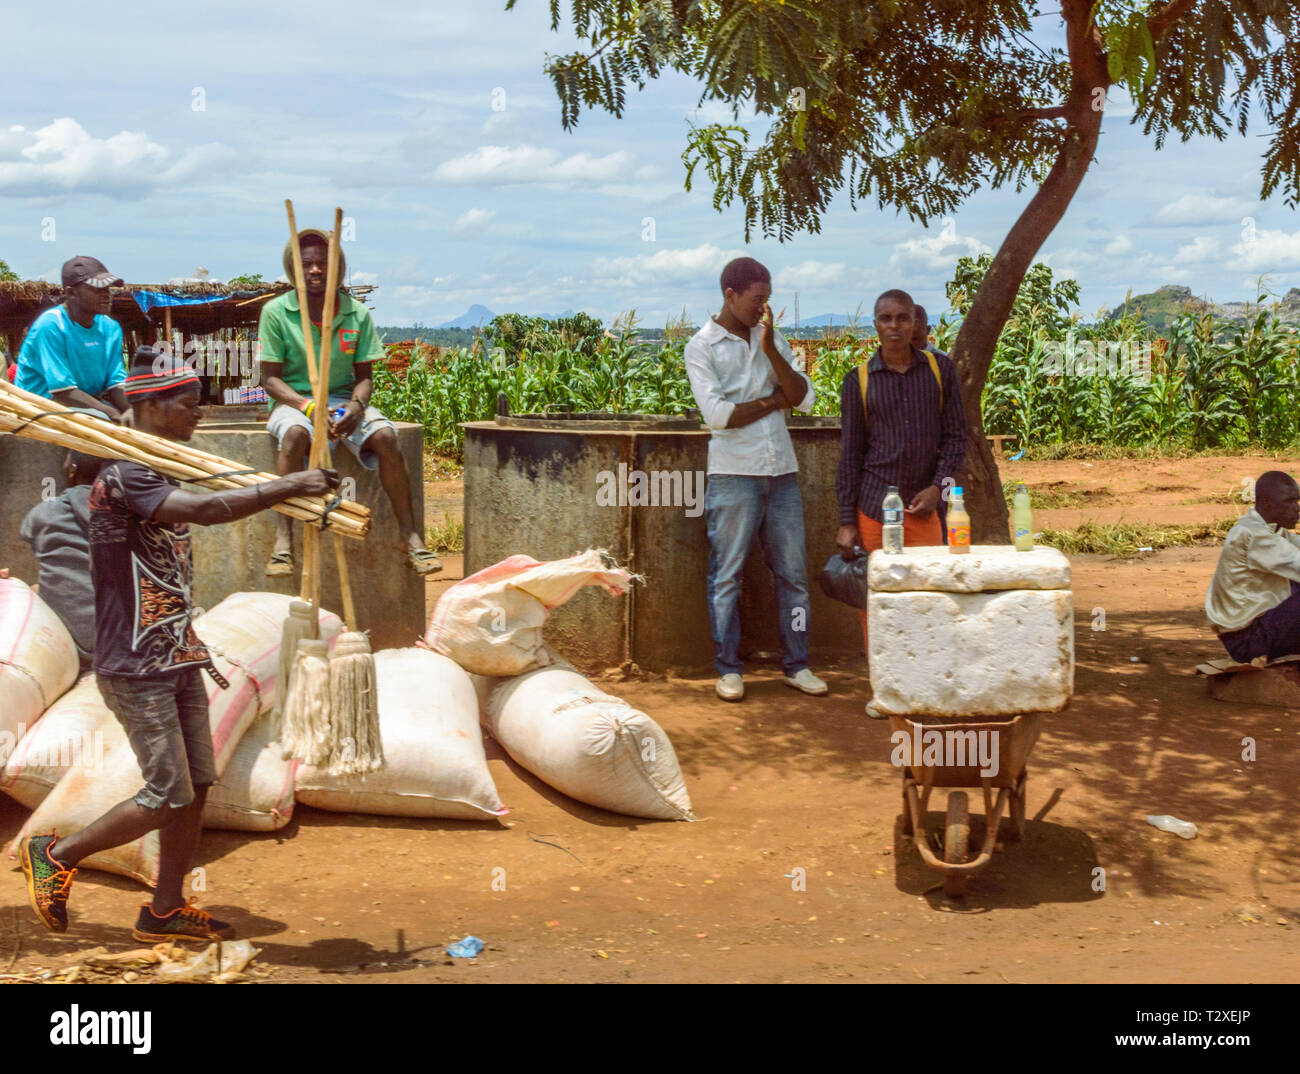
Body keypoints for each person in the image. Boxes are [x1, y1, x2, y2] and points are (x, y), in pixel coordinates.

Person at [18, 347, 339, 943]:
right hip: (135, 663)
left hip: (178, 653)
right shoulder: (124, 474)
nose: (197, 415)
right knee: (168, 791)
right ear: (151, 404)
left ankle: (164, 911)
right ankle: (57, 854)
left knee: (196, 785)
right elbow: (204, 510)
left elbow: (205, 499)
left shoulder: (158, 465)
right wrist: (287, 485)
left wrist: (300, 492)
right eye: (188, 405)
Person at [684, 256, 827, 702]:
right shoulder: (702, 347)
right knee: (727, 575)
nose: (764, 308)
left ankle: (797, 664)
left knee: (794, 577)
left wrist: (768, 353)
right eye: (757, 299)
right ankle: (728, 668)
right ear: (730, 295)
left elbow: (803, 398)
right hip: (733, 475)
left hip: (781, 472)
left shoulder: (773, 340)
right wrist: (771, 401)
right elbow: (719, 416)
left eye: (767, 299)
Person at [258, 229, 439, 577]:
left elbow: (365, 376)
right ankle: (283, 540)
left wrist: (356, 409)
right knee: (295, 435)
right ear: (294, 269)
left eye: (322, 264)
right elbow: (270, 379)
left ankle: (409, 535)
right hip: (296, 403)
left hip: (343, 401)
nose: (314, 271)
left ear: (337, 268)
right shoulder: (277, 312)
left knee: (386, 437)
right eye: (306, 264)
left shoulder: (356, 314)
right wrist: (307, 406)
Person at [836, 289, 967, 692]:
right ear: (875, 325)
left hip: (925, 511)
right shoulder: (858, 381)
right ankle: (887, 688)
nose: (894, 326)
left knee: (927, 596)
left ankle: (923, 685)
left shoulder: (940, 371)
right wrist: (846, 521)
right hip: (875, 508)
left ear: (915, 323)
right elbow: (851, 455)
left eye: (902, 318)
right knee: (879, 602)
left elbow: (957, 439)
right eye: (885, 319)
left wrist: (939, 491)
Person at [15, 256, 129, 422]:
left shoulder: (110, 328)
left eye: (108, 289)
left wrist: (131, 411)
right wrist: (112, 412)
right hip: (42, 406)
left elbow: (116, 383)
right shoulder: (51, 325)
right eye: (98, 289)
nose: (106, 295)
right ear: (71, 293)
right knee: (102, 418)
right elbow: (63, 391)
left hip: (88, 403)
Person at [19, 451, 105, 668]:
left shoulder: (46, 511)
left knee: (27, 590)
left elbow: (28, 533)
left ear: (73, 469)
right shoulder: (124, 514)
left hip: (69, 642)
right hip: (120, 641)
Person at [1206, 471, 1300, 662]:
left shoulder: (1271, 529)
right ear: (1266, 502)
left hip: (1254, 630)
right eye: (1289, 502)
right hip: (1246, 641)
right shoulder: (1254, 535)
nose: (1296, 508)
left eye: (1296, 501)